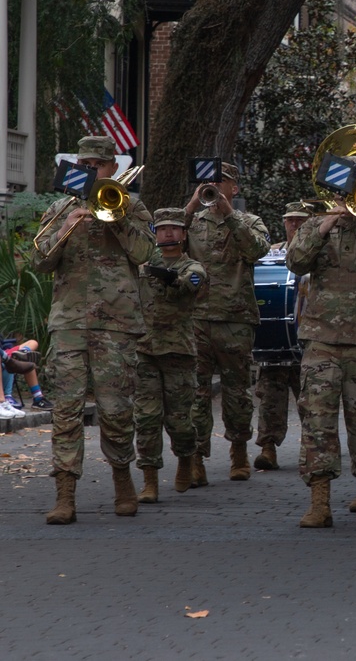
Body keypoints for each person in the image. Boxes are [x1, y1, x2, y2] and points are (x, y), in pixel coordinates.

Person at [32, 135, 155, 524]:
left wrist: (115, 219)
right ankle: (65, 495)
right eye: (83, 163)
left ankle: (123, 481)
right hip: (69, 323)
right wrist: (65, 225)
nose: (89, 170)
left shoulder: (132, 206)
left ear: (112, 169)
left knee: (116, 410)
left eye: (97, 165)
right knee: (66, 411)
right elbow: (40, 261)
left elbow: (145, 254)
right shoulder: (60, 207)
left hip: (115, 324)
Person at [287, 189, 356, 527]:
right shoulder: (316, 225)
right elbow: (295, 261)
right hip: (321, 339)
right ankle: (319, 502)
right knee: (317, 419)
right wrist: (327, 222)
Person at [185, 162, 271, 484]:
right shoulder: (192, 221)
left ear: (234, 189)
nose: (216, 186)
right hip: (195, 318)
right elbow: (164, 241)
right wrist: (193, 205)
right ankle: (195, 458)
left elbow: (257, 250)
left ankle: (238, 451)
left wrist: (229, 214)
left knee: (237, 393)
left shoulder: (249, 221)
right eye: (210, 182)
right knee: (196, 392)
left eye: (223, 182)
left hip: (235, 319)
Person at [134, 208, 208, 502]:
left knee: (180, 421)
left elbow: (191, 283)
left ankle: (187, 458)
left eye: (174, 228)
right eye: (162, 228)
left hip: (178, 352)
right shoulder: (141, 264)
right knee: (147, 418)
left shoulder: (194, 267)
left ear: (184, 234)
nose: (168, 233)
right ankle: (149, 479)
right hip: (145, 351)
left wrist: (168, 276)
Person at [253, 202, 312, 471]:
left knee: (312, 400)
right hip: (279, 338)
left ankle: (312, 449)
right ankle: (267, 448)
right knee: (270, 396)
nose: (294, 225)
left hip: (309, 338)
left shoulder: (319, 251)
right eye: (290, 220)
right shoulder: (272, 254)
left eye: (300, 221)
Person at [2, 338, 52, 410]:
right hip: (4, 357)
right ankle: (7, 396)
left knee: (33, 343)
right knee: (8, 361)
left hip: (5, 352)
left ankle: (22, 353)